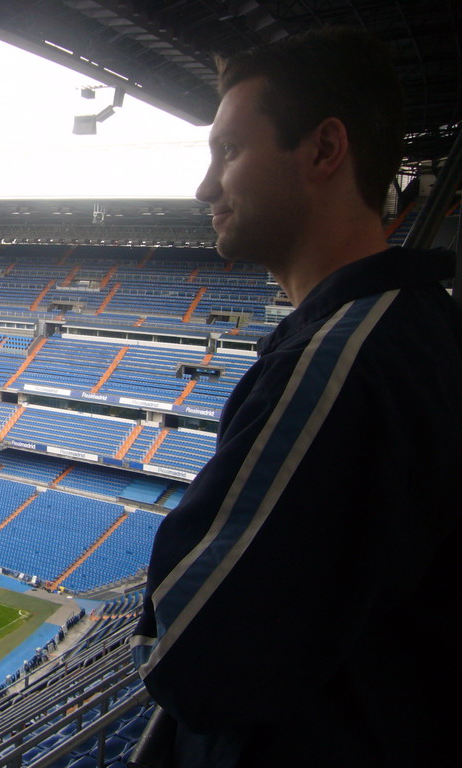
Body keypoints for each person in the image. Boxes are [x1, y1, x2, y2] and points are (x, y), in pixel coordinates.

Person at [129, 27, 462, 768]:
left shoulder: (340, 365)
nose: (205, 188)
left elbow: (189, 654)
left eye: (228, 152)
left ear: (323, 151)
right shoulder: (418, 328)